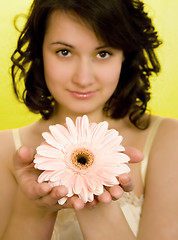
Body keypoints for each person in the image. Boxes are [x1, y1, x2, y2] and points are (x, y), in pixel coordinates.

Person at [0, 0, 178, 239]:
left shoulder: (168, 140)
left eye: (103, 53)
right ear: (39, 51)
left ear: (125, 56)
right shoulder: (5, 150)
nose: (83, 79)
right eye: (64, 52)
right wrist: (33, 207)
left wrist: (94, 194)